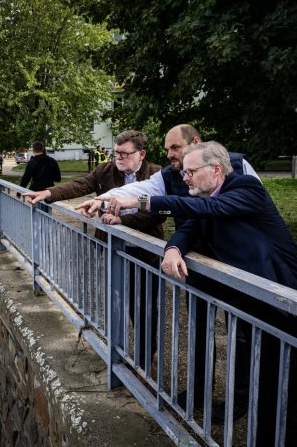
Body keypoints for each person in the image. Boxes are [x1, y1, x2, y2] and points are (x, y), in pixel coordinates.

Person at [99, 141, 297, 445]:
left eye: (191, 171)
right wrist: (174, 248)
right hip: (252, 305)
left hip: (282, 303)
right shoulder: (203, 197)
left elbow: (209, 209)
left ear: (215, 169)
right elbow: (187, 228)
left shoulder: (245, 187)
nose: (185, 177)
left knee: (281, 386)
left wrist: (140, 203)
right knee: (266, 384)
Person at [75, 124, 260, 418]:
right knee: (200, 327)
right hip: (198, 263)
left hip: (238, 265)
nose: (170, 155)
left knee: (241, 333)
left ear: (196, 143)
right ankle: (199, 390)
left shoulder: (238, 169)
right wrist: (102, 200)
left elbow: (242, 213)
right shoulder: (171, 175)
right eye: (167, 149)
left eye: (175, 148)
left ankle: (240, 401)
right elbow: (139, 189)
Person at [23, 130, 164, 373]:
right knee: (118, 302)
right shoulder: (105, 171)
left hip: (145, 252)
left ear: (141, 154)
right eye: (115, 152)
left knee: (146, 307)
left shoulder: (156, 174)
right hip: (112, 249)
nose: (118, 157)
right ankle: (117, 354)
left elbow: (162, 211)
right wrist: (47, 193)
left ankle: (145, 357)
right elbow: (80, 185)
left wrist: (121, 222)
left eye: (124, 153)